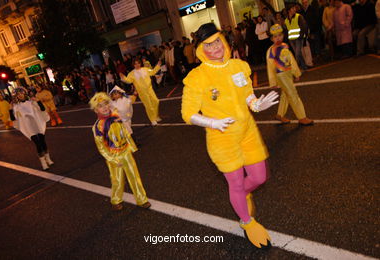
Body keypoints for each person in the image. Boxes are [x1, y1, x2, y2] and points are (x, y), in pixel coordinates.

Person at [182, 23, 279, 248]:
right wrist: (212, 122)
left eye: (217, 41)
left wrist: (257, 104)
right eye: (208, 44)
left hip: (247, 132)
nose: (214, 47)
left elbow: (247, 95)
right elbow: (187, 114)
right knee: (235, 183)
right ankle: (247, 221)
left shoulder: (239, 66)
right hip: (221, 138)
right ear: (200, 49)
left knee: (259, 177)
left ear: (223, 42)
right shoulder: (197, 77)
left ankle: (240, 197)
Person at [90, 92, 151, 210]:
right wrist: (112, 159)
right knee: (117, 179)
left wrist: (131, 147)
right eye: (100, 106)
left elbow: (125, 133)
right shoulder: (98, 126)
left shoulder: (115, 117)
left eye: (106, 104)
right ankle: (116, 200)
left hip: (125, 151)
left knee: (134, 175)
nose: (105, 107)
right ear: (95, 110)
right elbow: (101, 147)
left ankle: (142, 199)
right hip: (113, 155)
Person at [266, 24, 314, 126]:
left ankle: (280, 115)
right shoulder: (271, 50)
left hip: (287, 74)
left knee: (285, 94)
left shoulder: (284, 46)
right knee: (293, 94)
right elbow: (270, 67)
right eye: (275, 36)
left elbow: (291, 60)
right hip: (280, 75)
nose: (278, 38)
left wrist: (296, 73)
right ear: (271, 39)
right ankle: (302, 117)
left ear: (283, 35)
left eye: (279, 35)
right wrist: (273, 81)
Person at [10, 87, 54, 170]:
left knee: (42, 141)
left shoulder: (31, 102)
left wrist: (38, 101)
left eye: (21, 93)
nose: (20, 95)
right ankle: (43, 162)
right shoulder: (16, 106)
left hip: (37, 124)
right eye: (18, 94)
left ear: (24, 93)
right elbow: (13, 119)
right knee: (37, 143)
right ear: (16, 97)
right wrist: (10, 110)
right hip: (29, 127)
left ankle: (48, 159)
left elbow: (42, 109)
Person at [120, 59, 162, 126]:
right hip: (142, 92)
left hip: (150, 90)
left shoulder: (145, 69)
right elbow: (128, 81)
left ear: (140, 63)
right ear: (133, 65)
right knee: (149, 106)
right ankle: (153, 119)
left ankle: (155, 116)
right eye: (135, 64)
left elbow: (153, 72)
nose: (137, 65)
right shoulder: (132, 73)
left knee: (156, 101)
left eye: (138, 63)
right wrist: (123, 78)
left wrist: (158, 65)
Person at [285, 4, 308, 70]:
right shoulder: (286, 20)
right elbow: (286, 30)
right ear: (289, 11)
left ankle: (296, 68)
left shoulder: (298, 16)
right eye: (292, 8)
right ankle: (304, 67)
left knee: (297, 54)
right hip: (291, 39)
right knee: (298, 53)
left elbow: (303, 26)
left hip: (298, 38)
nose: (294, 9)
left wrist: (301, 36)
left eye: (294, 8)